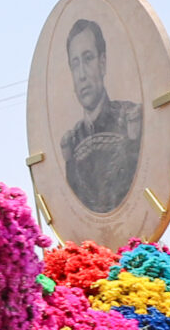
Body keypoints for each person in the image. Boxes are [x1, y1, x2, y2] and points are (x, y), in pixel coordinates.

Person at [58, 18, 144, 211]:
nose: (82, 74)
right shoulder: (73, 139)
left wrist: (133, 141)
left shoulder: (130, 116)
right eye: (75, 64)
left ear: (102, 63)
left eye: (88, 59)